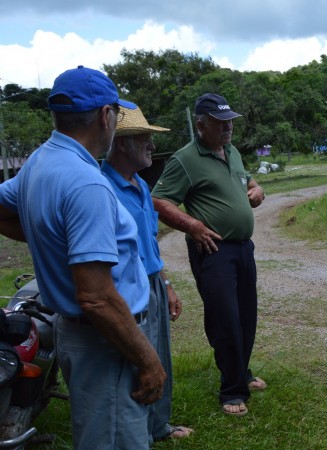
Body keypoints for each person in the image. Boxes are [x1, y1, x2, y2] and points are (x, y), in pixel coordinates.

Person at [0, 66, 165, 449]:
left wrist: (53, 241)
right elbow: (97, 297)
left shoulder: (41, 161)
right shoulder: (87, 183)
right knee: (115, 439)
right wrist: (148, 361)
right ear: (106, 116)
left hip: (80, 332)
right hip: (105, 340)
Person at [151, 93, 266, 416]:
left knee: (246, 315)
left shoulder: (231, 151)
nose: (228, 126)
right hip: (213, 249)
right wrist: (193, 226)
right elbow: (159, 201)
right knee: (224, 318)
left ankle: (240, 372)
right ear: (201, 125)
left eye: (230, 120)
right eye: (220, 122)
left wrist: (257, 190)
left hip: (244, 247)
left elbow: (248, 181)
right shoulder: (185, 159)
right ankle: (232, 392)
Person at [102, 105, 194, 441]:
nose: (151, 146)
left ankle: (158, 427)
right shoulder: (103, 190)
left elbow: (149, 245)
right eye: (144, 139)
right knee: (138, 359)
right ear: (122, 144)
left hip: (152, 281)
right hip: (127, 288)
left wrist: (167, 283)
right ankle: (137, 433)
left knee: (160, 355)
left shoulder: (140, 185)